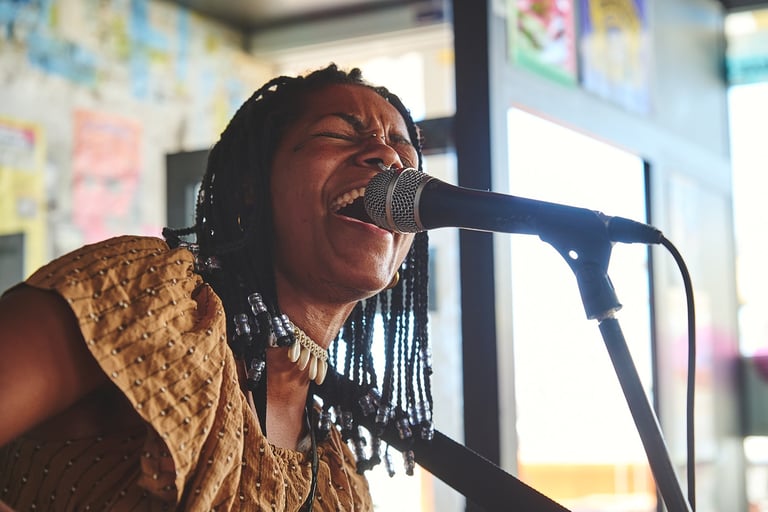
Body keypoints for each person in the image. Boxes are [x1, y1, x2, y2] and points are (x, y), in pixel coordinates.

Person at [0, 64, 433, 511]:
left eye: (403, 152)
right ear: (251, 188)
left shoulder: (340, 483)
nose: (387, 158)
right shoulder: (152, 297)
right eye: (341, 134)